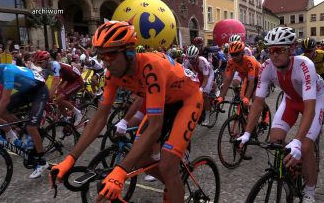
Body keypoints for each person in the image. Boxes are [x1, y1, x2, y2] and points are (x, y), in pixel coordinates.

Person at [50, 21, 203, 202]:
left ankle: (173, 180)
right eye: (101, 56)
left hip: (188, 99)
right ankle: (175, 184)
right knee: (140, 158)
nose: (106, 63)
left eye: (111, 56)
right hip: (166, 99)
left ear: (129, 52)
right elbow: (99, 119)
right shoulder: (112, 75)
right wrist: (70, 159)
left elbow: (154, 127)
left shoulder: (151, 67)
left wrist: (121, 171)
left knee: (168, 163)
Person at [237, 27, 324, 203]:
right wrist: (247, 133)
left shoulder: (305, 65)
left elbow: (309, 107)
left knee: (306, 146)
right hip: (291, 100)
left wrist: (298, 141)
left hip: (314, 101)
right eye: (271, 50)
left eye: (280, 50)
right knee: (274, 139)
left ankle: (309, 191)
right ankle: (292, 165)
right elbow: (258, 102)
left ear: (291, 50)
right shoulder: (266, 67)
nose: (275, 55)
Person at [0, 54, 50, 178]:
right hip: (26, 91)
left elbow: (5, 99)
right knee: (2, 110)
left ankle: (42, 162)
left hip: (39, 91)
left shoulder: (7, 71)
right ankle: (22, 128)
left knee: (31, 127)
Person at [34, 51, 84, 125]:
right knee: (57, 100)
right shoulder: (46, 68)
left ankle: (78, 113)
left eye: (41, 63)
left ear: (47, 60)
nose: (39, 65)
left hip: (77, 80)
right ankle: (67, 117)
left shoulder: (55, 64)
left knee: (59, 98)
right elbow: (42, 81)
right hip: (67, 79)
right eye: (38, 63)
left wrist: (48, 96)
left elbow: (56, 82)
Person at [215, 41, 260, 110]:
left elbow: (251, 82)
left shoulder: (249, 61)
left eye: (236, 54)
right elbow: (228, 80)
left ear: (242, 53)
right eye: (232, 54)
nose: (234, 57)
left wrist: (247, 98)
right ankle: (244, 118)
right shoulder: (231, 62)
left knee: (255, 98)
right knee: (242, 99)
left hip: (260, 76)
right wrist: (221, 96)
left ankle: (265, 113)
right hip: (247, 77)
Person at [184, 45, 214, 126]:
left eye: (192, 58)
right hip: (199, 72)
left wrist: (201, 88)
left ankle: (207, 118)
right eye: (189, 58)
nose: (191, 60)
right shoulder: (187, 61)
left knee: (204, 94)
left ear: (197, 56)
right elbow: (184, 75)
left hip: (208, 74)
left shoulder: (203, 61)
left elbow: (205, 78)